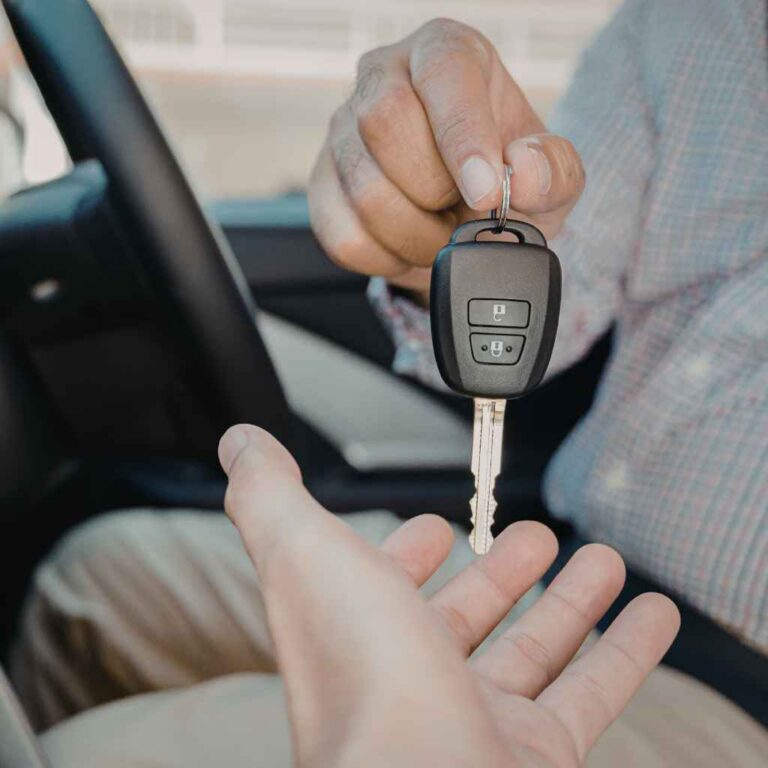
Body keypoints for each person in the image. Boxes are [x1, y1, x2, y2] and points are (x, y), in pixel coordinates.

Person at [10, 1, 768, 765]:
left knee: (87, 756)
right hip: (564, 565)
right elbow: (556, 278)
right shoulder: (692, 23)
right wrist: (431, 224)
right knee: (91, 582)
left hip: (743, 692)